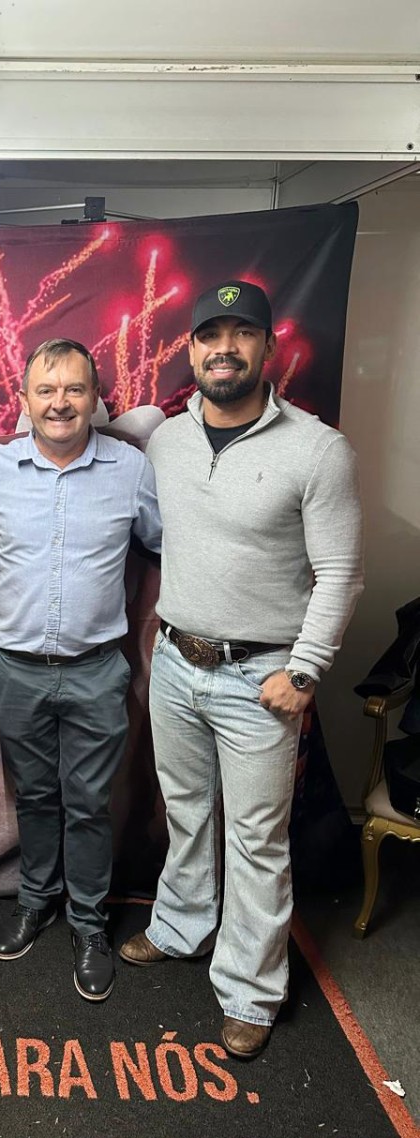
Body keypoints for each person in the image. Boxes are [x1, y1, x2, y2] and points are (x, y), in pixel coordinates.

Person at [119, 280, 364, 1058]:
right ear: (192, 349)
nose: (224, 348)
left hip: (261, 680)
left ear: (268, 347)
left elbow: (342, 575)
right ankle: (181, 927)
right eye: (210, 335)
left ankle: (252, 991)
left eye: (242, 333)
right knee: (186, 812)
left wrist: (305, 672)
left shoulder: (317, 449)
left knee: (258, 838)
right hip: (175, 661)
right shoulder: (166, 440)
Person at [0, 338, 162, 1001]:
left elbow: (165, 543)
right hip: (16, 669)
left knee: (88, 805)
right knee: (33, 797)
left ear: (95, 398)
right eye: (47, 390)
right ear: (25, 399)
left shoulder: (129, 469)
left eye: (74, 389)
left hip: (95, 670)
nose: (60, 403)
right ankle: (35, 900)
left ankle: (88, 923)